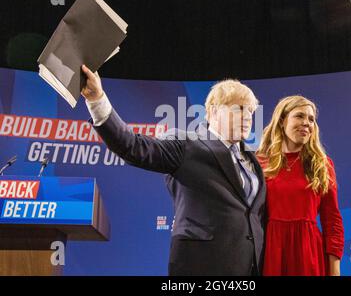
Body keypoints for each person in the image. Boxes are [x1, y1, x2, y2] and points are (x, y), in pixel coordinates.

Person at [80, 65, 266, 276]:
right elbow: (132, 146)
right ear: (214, 110)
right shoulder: (186, 143)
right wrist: (97, 100)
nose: (248, 116)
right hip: (201, 267)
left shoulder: (253, 160)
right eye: (239, 108)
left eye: (251, 111)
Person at [257, 95, 344, 276]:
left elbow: (332, 221)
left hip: (309, 255)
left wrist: (334, 271)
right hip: (270, 254)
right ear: (282, 121)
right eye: (299, 116)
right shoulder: (260, 162)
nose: (307, 123)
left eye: (311, 119)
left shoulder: (322, 164)